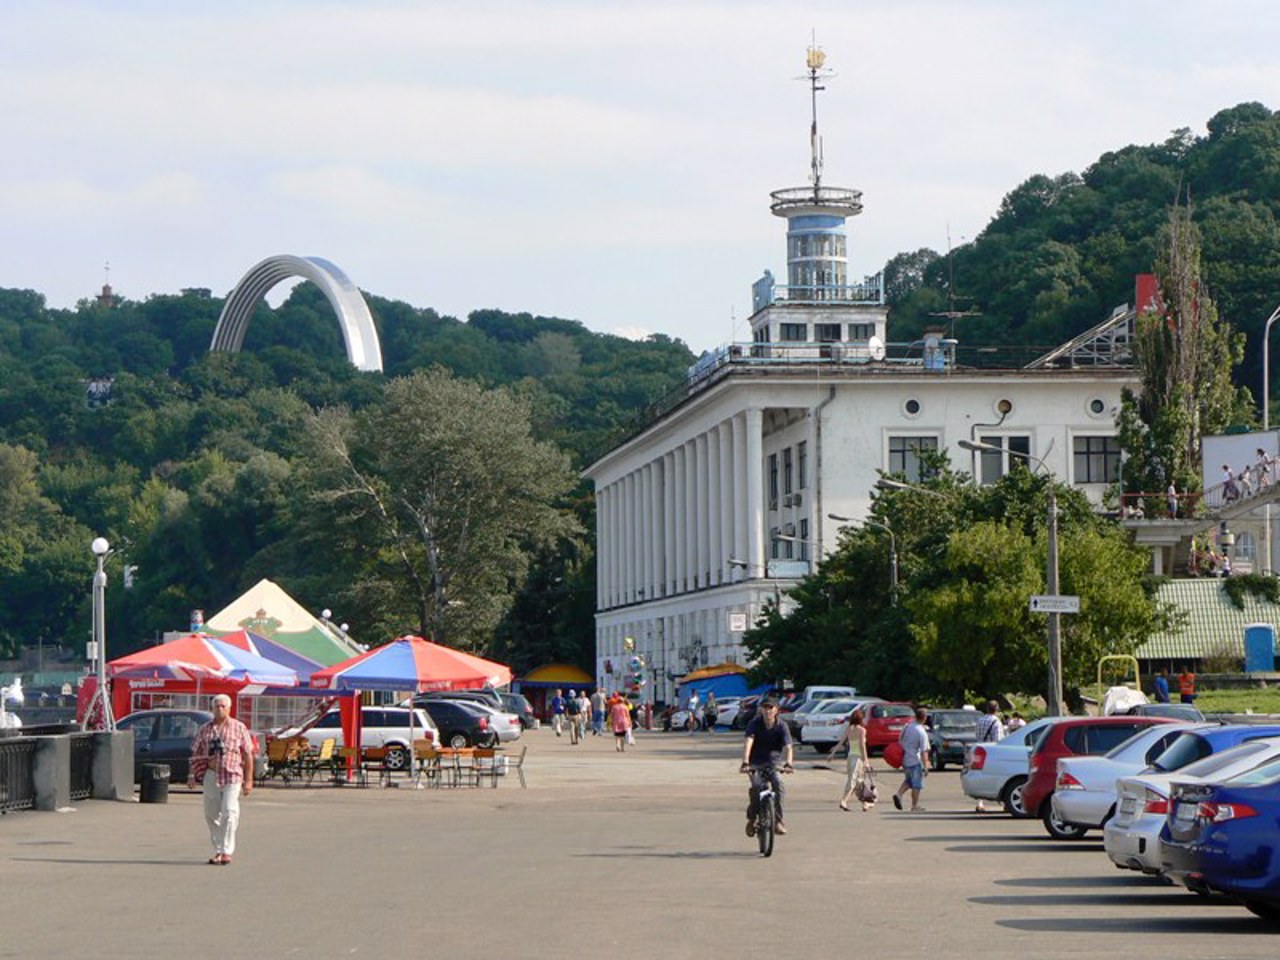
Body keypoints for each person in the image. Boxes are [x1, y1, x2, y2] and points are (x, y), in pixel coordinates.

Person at [187, 693, 254, 865]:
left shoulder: (239, 727)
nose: (220, 709)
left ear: (230, 708)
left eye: (223, 706)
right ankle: (218, 848)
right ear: (212, 708)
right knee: (211, 814)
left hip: (232, 774)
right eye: (217, 706)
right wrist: (192, 774)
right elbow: (195, 752)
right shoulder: (205, 729)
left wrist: (248, 780)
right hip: (211, 774)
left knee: (230, 811)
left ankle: (226, 851)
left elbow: (247, 754)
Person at [741, 698, 794, 835]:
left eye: (771, 707)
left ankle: (778, 821)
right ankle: (752, 819)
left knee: (778, 784)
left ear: (776, 710)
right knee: (757, 786)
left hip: (774, 763)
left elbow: (788, 746)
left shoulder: (782, 726)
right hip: (755, 763)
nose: (768, 710)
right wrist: (745, 762)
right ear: (761, 709)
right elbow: (749, 741)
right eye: (765, 707)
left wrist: (789, 763)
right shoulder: (755, 723)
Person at [831, 708, 873, 812]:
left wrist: (833, 753)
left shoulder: (849, 729)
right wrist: (866, 761)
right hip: (858, 758)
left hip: (850, 757)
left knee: (859, 781)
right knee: (853, 781)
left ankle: (865, 803)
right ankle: (844, 801)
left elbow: (841, 741)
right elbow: (862, 746)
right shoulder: (862, 730)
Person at [892, 706, 930, 813]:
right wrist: (926, 766)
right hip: (915, 760)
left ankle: (898, 794)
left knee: (909, 780)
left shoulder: (908, 726)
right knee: (916, 784)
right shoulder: (921, 732)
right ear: (924, 718)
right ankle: (914, 806)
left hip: (905, 759)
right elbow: (924, 751)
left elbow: (900, 740)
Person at [972, 701, 1004, 812]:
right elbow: (998, 740)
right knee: (999, 776)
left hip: (980, 750)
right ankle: (1004, 802)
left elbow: (976, 735)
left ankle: (980, 803)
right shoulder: (996, 722)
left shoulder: (980, 720)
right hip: (992, 752)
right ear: (997, 709)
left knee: (981, 776)